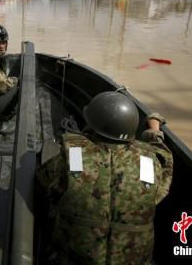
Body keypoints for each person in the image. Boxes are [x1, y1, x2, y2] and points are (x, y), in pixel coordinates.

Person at [36, 91, 173, 265]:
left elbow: (43, 183)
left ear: (91, 124)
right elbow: (164, 163)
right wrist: (154, 131)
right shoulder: (150, 162)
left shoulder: (73, 155)